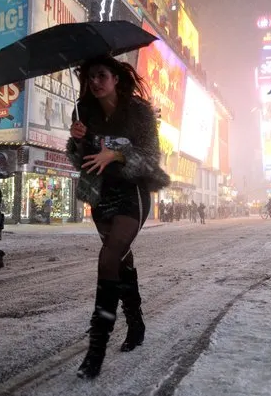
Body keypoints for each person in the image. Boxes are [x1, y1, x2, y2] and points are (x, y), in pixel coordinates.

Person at [65, 55, 170, 379]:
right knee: (122, 260)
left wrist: (118, 153)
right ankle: (135, 323)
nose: (94, 82)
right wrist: (77, 141)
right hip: (101, 195)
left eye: (100, 75)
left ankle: (95, 351)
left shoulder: (138, 111)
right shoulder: (84, 110)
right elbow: (77, 159)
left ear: (116, 78)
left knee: (108, 257)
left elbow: (152, 157)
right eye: (89, 77)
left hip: (133, 191)